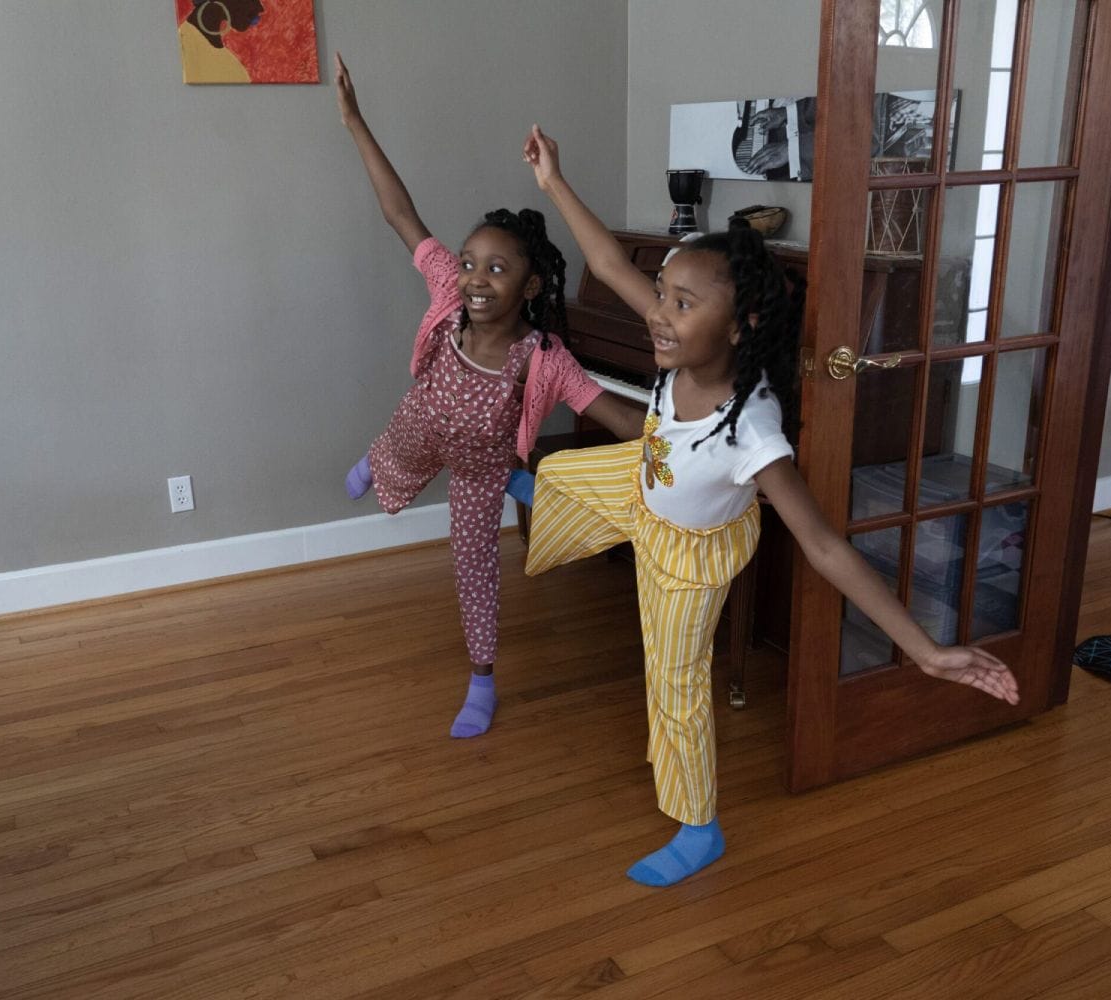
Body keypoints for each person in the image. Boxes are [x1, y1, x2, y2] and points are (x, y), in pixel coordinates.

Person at [519, 124, 1020, 887]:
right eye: (662, 294)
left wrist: (924, 649)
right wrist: (554, 180)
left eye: (681, 303)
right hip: (643, 485)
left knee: (675, 682)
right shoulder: (674, 343)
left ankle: (698, 827)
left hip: (689, 553)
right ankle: (538, 492)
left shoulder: (751, 431)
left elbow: (824, 548)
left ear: (740, 324)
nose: (658, 312)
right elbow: (608, 262)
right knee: (558, 474)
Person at [334, 56, 643, 739]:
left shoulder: (545, 359)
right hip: (421, 422)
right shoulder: (448, 293)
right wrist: (356, 122)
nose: (475, 278)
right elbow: (399, 212)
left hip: (479, 468)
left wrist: (685, 435)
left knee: (474, 569)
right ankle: (375, 463)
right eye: (471, 262)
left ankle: (481, 679)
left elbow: (614, 414)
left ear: (530, 286)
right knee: (396, 442)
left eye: (497, 268)